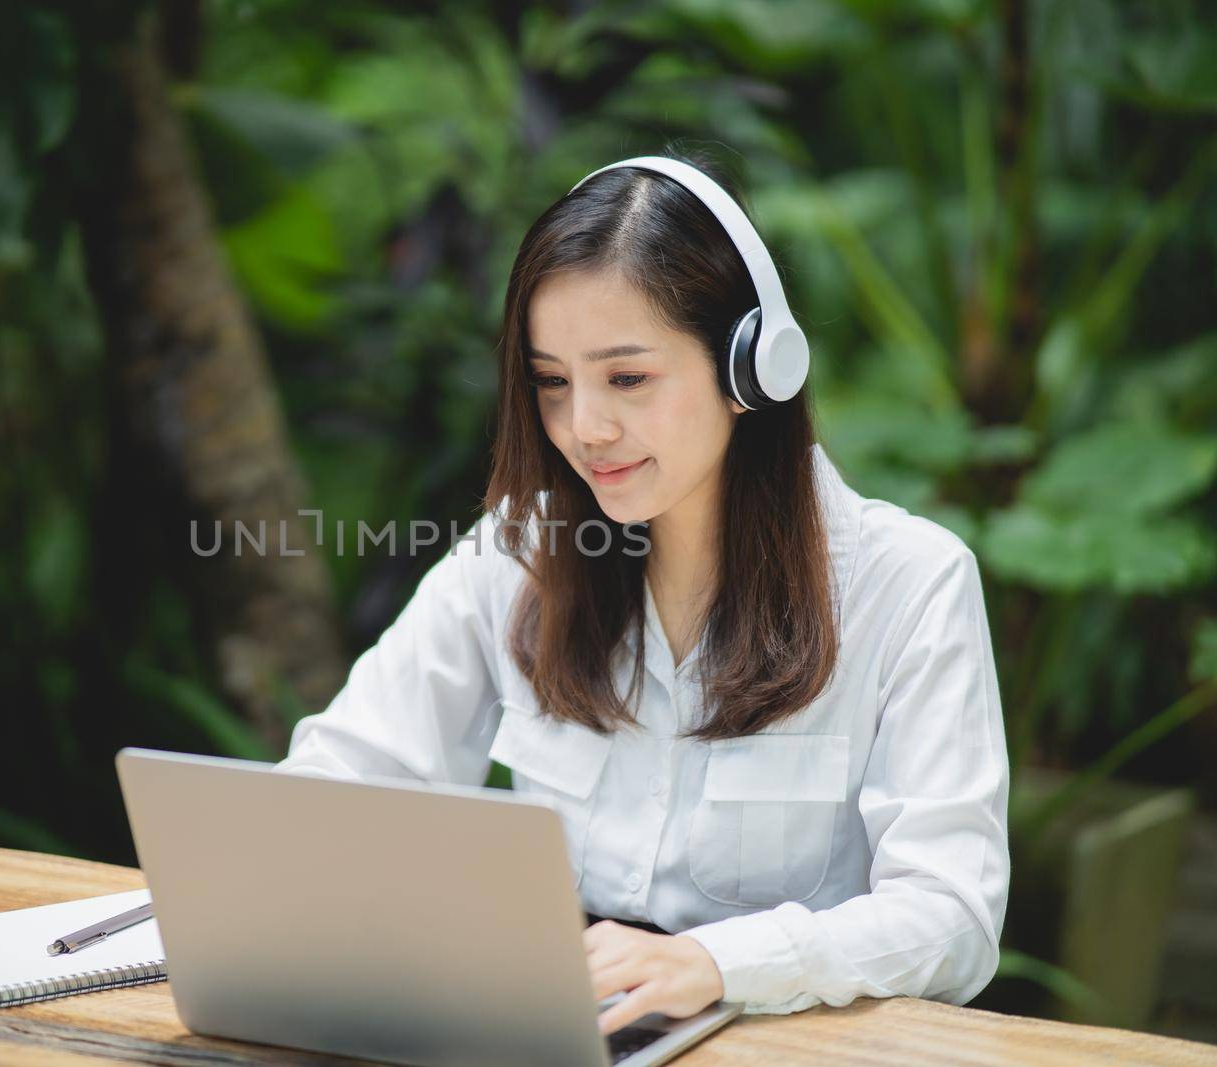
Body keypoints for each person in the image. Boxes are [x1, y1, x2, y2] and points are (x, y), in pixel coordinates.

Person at [273, 147, 1010, 1036]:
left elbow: (952, 918)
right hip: (550, 1035)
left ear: (754, 369)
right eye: (552, 382)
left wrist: (714, 962)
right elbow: (341, 782)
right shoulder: (518, 553)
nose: (584, 427)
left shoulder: (910, 584)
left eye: (627, 377)